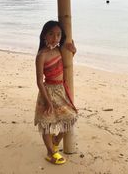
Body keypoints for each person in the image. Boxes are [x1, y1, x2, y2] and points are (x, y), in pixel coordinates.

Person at [34, 20, 78, 165]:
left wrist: (74, 51)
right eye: (51, 34)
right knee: (46, 124)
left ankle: (56, 140)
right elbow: (39, 81)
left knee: (71, 118)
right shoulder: (42, 55)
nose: (55, 38)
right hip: (47, 92)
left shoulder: (60, 50)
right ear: (44, 36)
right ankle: (51, 153)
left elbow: (67, 64)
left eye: (58, 35)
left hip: (60, 90)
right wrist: (47, 102)